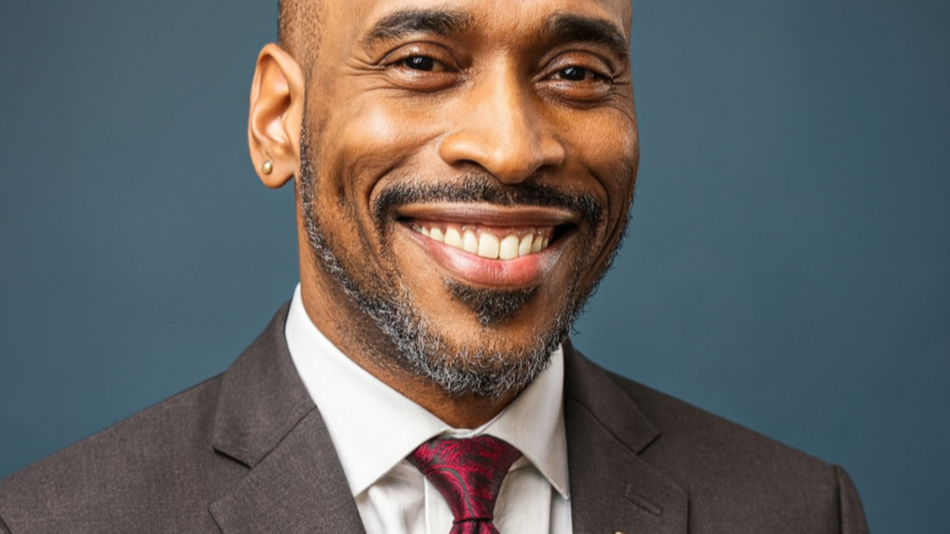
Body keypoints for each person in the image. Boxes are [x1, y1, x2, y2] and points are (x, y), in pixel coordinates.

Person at [0, 0, 869, 532]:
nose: (510, 147)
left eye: (575, 71)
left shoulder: (797, 513)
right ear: (278, 121)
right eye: (421, 62)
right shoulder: (55, 524)